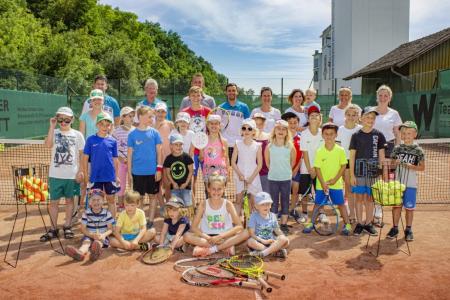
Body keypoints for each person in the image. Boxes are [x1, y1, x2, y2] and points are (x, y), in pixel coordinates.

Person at [40, 107, 85, 242]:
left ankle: (67, 226)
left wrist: (81, 171)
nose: (63, 122)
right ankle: (53, 229)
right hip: (55, 175)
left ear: (72, 120)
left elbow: (82, 155)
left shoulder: (78, 135)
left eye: (67, 119)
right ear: (57, 119)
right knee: (53, 202)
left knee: (70, 201)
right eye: (61, 119)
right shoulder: (54, 132)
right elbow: (48, 145)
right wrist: (52, 126)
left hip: (71, 175)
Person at [303, 123, 352, 235]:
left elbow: (343, 166)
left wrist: (335, 179)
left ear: (336, 135)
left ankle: (347, 224)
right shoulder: (319, 151)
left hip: (336, 184)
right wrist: (322, 182)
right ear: (322, 135)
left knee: (341, 204)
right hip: (321, 184)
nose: (329, 136)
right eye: (326, 134)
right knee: (317, 204)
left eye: (331, 134)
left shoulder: (340, 150)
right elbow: (317, 168)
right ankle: (311, 223)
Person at [184, 174, 249, 257]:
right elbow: (193, 227)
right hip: (208, 238)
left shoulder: (228, 204)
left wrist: (220, 236)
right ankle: (224, 247)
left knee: (246, 232)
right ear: (208, 189)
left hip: (224, 237)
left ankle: (212, 249)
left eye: (219, 189)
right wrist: (208, 238)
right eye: (213, 189)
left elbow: (239, 226)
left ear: (224, 189)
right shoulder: (203, 204)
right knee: (186, 236)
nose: (216, 192)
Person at [349, 107, 386, 236]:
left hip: (373, 173)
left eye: (373, 118)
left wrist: (382, 174)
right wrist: (352, 175)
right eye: (368, 117)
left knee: (370, 199)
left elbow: (381, 156)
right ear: (362, 118)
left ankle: (368, 223)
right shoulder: (355, 135)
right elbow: (352, 156)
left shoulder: (379, 135)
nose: (370, 120)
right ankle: (359, 223)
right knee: (359, 198)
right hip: (358, 172)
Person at [387, 121, 425, 242]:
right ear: (401, 135)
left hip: (411, 185)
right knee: (396, 206)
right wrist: (395, 163)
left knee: (409, 208)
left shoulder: (419, 150)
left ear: (415, 134)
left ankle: (408, 229)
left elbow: (422, 167)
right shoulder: (397, 148)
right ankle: (395, 228)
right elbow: (391, 165)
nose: (406, 135)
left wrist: (411, 166)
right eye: (404, 133)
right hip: (398, 184)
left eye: (409, 133)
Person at [127, 106, 162, 228]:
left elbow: (159, 152)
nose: (151, 119)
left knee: (153, 196)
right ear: (140, 117)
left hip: (152, 172)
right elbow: (129, 154)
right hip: (137, 172)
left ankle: (150, 220)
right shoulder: (132, 134)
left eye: (152, 117)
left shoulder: (155, 133)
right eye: (149, 116)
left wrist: (159, 168)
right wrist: (129, 172)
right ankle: (141, 221)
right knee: (139, 198)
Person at [373, 85, 402, 226]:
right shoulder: (370, 112)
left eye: (386, 95)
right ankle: (377, 209)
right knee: (375, 178)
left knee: (386, 179)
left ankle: (381, 206)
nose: (383, 98)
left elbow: (397, 133)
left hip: (389, 148)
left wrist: (397, 150)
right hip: (372, 148)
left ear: (390, 98)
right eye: (381, 95)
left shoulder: (394, 113)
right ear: (377, 96)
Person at [82, 112, 119, 218]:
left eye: (107, 124)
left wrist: (116, 176)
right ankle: (96, 224)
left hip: (109, 176)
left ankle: (112, 223)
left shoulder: (113, 141)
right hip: (95, 176)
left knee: (111, 200)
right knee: (95, 200)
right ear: (97, 125)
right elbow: (85, 158)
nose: (104, 127)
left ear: (110, 126)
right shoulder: (90, 140)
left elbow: (115, 160)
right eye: (101, 124)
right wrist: (85, 174)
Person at [265, 120, 296, 235]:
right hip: (273, 178)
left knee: (284, 201)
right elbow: (267, 162)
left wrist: (286, 172)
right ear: (274, 131)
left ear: (287, 132)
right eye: (278, 129)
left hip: (286, 179)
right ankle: (273, 225)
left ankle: (283, 224)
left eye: (284, 129)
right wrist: (274, 171)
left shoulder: (290, 146)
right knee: (273, 202)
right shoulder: (269, 146)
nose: (281, 131)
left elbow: (292, 162)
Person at [65, 189, 114, 261]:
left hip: (102, 236)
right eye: (93, 200)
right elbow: (83, 229)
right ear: (90, 202)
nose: (96, 202)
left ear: (103, 201)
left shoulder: (107, 213)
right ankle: (80, 253)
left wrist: (103, 235)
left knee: (98, 242)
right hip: (89, 235)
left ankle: (95, 252)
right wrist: (91, 235)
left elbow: (110, 229)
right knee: (86, 243)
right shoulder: (86, 213)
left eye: (98, 200)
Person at [297, 105, 324, 223]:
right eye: (311, 115)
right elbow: (305, 153)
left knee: (320, 191)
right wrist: (310, 169)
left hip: (320, 168)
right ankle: (304, 213)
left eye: (316, 115)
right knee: (305, 192)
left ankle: (321, 212)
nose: (314, 117)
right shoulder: (304, 133)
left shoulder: (323, 133)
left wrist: (316, 168)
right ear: (308, 119)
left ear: (319, 119)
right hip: (306, 169)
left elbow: (323, 153)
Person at [336, 104, 362, 224]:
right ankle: (350, 213)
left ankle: (355, 213)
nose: (351, 117)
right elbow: (338, 146)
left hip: (357, 162)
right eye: (349, 114)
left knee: (356, 189)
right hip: (344, 161)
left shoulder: (360, 129)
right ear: (345, 115)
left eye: (354, 115)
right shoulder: (340, 129)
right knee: (349, 188)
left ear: (358, 116)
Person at [231, 118, 263, 215]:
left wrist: (252, 178)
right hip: (239, 176)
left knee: (254, 202)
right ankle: (236, 223)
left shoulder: (258, 145)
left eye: (249, 129)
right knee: (238, 201)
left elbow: (260, 164)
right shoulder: (237, 144)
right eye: (244, 128)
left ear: (254, 131)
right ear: (241, 130)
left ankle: (253, 224)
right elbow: (233, 162)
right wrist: (240, 175)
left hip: (253, 177)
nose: (246, 131)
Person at [181, 86, 211, 184]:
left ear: (202, 97)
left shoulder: (207, 111)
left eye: (198, 95)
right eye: (193, 95)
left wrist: (202, 149)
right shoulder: (184, 112)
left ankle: (209, 199)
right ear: (189, 97)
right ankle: (191, 199)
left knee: (208, 179)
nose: (196, 98)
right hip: (190, 151)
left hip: (205, 150)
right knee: (191, 179)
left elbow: (210, 131)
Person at [247, 192, 289, 258]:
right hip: (259, 242)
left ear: (270, 205)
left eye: (268, 204)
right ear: (256, 206)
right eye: (262, 204)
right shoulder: (253, 216)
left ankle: (264, 253)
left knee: (285, 240)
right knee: (250, 241)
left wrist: (283, 238)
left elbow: (277, 230)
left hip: (271, 242)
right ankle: (272, 252)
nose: (266, 206)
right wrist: (264, 241)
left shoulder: (273, 216)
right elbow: (252, 234)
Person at [163, 133, 194, 215]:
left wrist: (186, 183)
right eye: (176, 144)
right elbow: (168, 173)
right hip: (174, 187)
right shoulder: (168, 159)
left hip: (186, 187)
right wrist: (173, 183)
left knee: (188, 203)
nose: (178, 147)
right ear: (171, 146)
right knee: (176, 204)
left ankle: (189, 221)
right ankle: (179, 220)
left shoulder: (187, 157)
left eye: (180, 144)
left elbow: (191, 171)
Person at [219, 83, 250, 161]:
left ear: (237, 92)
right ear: (226, 93)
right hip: (225, 143)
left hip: (239, 143)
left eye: (233, 90)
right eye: (229, 91)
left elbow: (248, 125)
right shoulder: (220, 107)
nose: (231, 92)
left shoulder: (244, 107)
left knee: (238, 169)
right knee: (225, 169)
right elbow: (218, 126)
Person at [112, 106, 135, 209]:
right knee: (120, 183)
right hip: (121, 162)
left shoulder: (135, 131)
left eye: (132, 116)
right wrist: (120, 157)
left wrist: (132, 158)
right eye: (128, 116)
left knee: (132, 183)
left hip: (133, 162)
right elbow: (113, 146)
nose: (131, 118)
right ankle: (120, 205)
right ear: (123, 118)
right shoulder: (116, 131)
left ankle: (132, 204)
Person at [280, 112, 302, 220]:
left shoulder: (301, 138)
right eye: (290, 123)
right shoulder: (283, 139)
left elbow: (302, 156)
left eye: (295, 123)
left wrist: (296, 168)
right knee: (284, 190)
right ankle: (283, 210)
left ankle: (292, 209)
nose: (293, 125)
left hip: (296, 170)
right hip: (284, 169)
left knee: (295, 188)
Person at [154, 102, 175, 207]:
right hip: (156, 159)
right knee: (157, 184)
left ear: (166, 113)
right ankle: (162, 206)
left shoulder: (170, 124)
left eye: (163, 112)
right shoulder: (151, 124)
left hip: (168, 159)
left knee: (167, 184)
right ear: (155, 112)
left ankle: (168, 205)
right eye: (158, 111)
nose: (161, 114)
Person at [201, 114, 229, 182]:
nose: (214, 125)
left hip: (221, 172)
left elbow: (226, 158)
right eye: (211, 123)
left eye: (216, 123)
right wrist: (200, 149)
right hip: (208, 172)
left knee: (221, 192)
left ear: (220, 126)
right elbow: (201, 158)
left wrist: (228, 173)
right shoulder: (203, 140)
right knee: (209, 192)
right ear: (207, 125)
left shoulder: (224, 141)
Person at [253, 113, 271, 193]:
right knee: (253, 197)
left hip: (265, 172)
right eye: (256, 124)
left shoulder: (269, 137)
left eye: (260, 124)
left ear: (264, 125)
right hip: (253, 173)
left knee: (266, 195)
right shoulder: (248, 138)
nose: (258, 127)